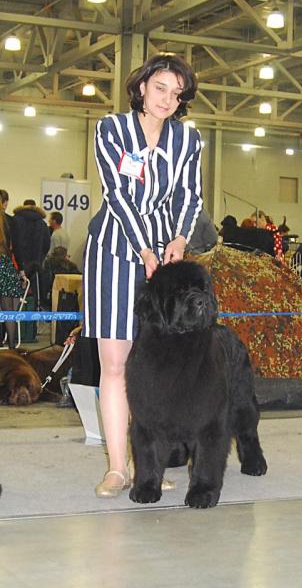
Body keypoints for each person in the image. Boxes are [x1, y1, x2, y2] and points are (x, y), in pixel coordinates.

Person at [82, 53, 203, 498]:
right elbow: (116, 193)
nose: (168, 99)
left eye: (177, 93)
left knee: (152, 368)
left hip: (163, 261)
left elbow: (191, 195)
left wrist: (179, 239)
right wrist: (144, 247)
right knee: (114, 365)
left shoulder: (188, 141)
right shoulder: (111, 129)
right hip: (115, 249)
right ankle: (117, 468)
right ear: (142, 86)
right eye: (160, 88)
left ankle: (146, 466)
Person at [0, 209, 23, 349]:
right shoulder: (8, 219)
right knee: (10, 311)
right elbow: (17, 247)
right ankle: (12, 347)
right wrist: (21, 271)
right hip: (6, 265)